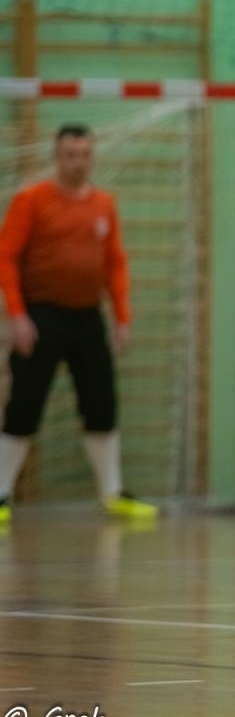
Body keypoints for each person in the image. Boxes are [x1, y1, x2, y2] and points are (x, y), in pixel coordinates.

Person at [0, 123, 159, 525]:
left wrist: (123, 317)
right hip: (41, 318)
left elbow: (115, 263)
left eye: (85, 154)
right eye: (71, 154)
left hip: (88, 319)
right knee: (24, 407)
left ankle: (111, 493)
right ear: (57, 157)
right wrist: (17, 315)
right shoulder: (31, 200)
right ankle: (1, 494)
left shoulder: (104, 204)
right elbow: (6, 258)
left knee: (101, 404)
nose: (78, 162)